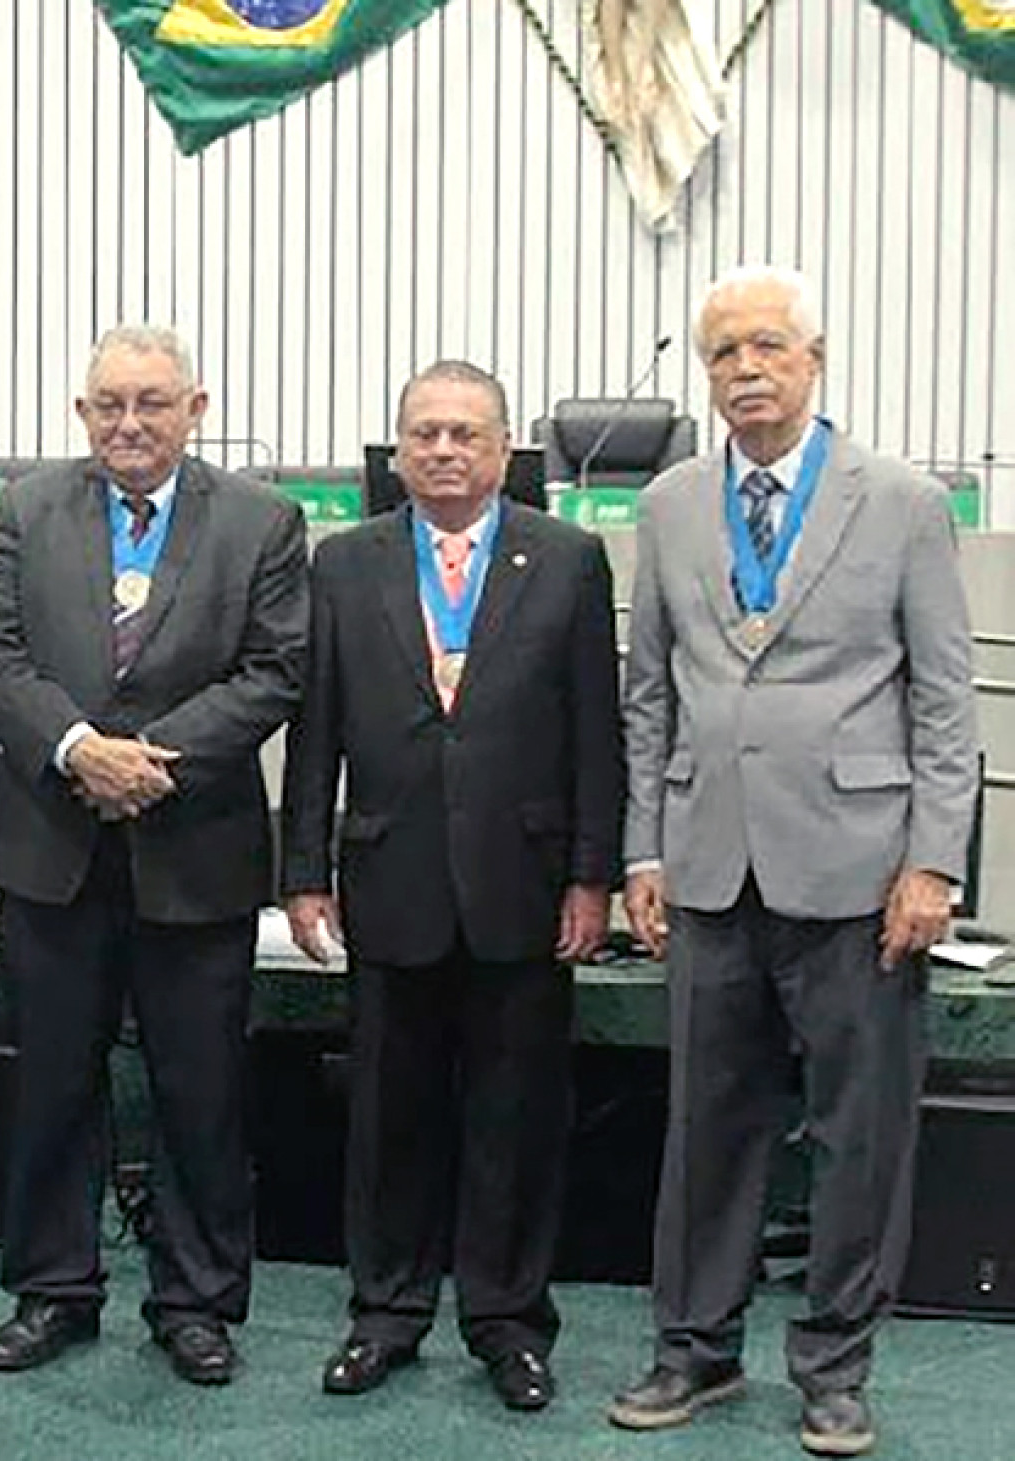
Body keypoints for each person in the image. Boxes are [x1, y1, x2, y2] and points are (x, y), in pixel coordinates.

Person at [609, 266, 979, 1458]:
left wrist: (935, 864)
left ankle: (835, 1364)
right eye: (723, 354)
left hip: (863, 874)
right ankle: (695, 1350)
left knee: (857, 1131)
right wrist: (642, 848)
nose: (745, 371)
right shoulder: (666, 504)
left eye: (767, 347)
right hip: (710, 865)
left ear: (816, 359)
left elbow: (945, 702)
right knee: (706, 1125)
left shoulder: (906, 502)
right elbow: (647, 695)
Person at [0, 324, 308, 1385]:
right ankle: (54, 1290)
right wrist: (78, 751)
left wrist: (152, 759)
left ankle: (195, 1300)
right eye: (109, 404)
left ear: (195, 408)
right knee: (53, 1086)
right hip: (53, 848)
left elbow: (275, 669)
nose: (130, 422)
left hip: (192, 845)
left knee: (198, 1092)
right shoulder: (28, 509)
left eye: (152, 403)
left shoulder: (263, 520)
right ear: (82, 414)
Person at [280, 360, 623, 1410]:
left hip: (524, 884)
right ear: (397, 448)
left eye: (465, 433)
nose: (442, 451)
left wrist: (593, 876)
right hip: (391, 880)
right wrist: (303, 873)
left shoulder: (566, 559)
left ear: (505, 446)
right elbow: (316, 731)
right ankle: (384, 1314)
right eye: (423, 433)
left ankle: (509, 1323)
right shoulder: (345, 563)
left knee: (517, 1118)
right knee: (388, 1117)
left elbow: (594, 736)